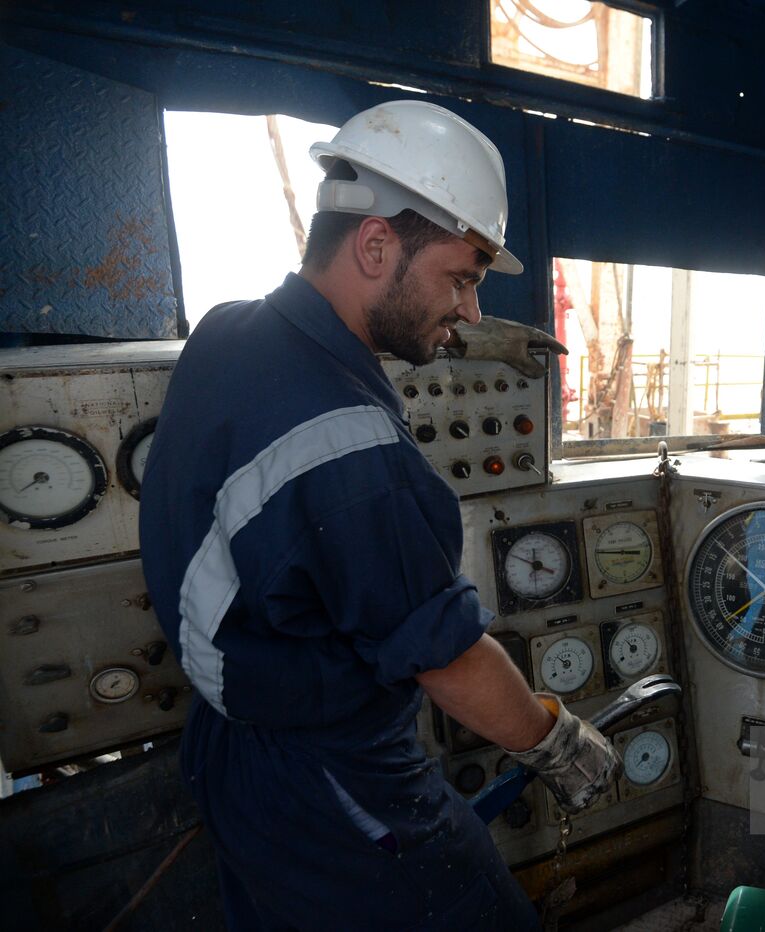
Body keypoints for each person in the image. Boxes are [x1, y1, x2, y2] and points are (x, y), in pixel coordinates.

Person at [139, 100, 617, 930]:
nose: (469, 311)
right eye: (462, 280)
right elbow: (449, 660)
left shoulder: (230, 333)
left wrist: (456, 322)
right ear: (374, 246)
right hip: (331, 775)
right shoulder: (352, 456)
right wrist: (551, 736)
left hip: (233, 748)